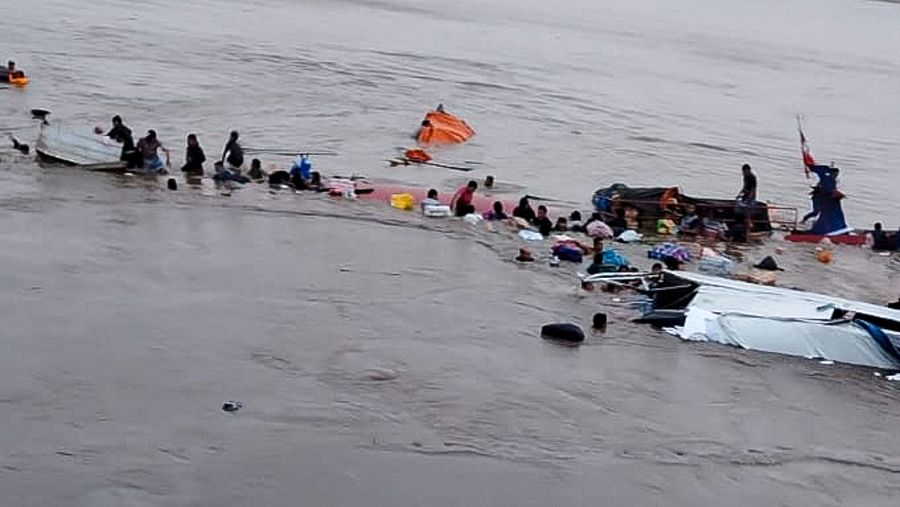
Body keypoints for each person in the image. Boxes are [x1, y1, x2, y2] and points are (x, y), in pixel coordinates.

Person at [737, 163, 757, 231]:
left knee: (748, 213)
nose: (743, 173)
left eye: (744, 172)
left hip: (750, 198)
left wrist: (748, 199)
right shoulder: (745, 177)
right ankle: (740, 225)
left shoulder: (753, 178)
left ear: (748, 170)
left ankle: (748, 228)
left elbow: (753, 190)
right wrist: (740, 194)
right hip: (745, 196)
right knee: (739, 211)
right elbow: (744, 186)